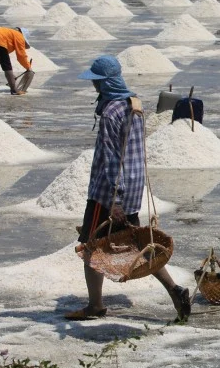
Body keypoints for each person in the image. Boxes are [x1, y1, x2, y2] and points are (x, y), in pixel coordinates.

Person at [65, 55, 191, 322]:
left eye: (97, 82)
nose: (94, 87)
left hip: (108, 193)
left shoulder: (111, 112)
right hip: (132, 187)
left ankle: (95, 306)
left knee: (92, 245)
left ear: (105, 83)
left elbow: (111, 158)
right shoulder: (133, 105)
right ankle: (175, 290)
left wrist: (113, 200)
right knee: (138, 244)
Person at [0, 26, 32, 95]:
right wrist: (28, 67)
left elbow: (4, 52)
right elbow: (21, 55)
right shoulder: (19, 36)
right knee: (7, 66)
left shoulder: (9, 32)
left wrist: (11, 75)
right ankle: (14, 90)